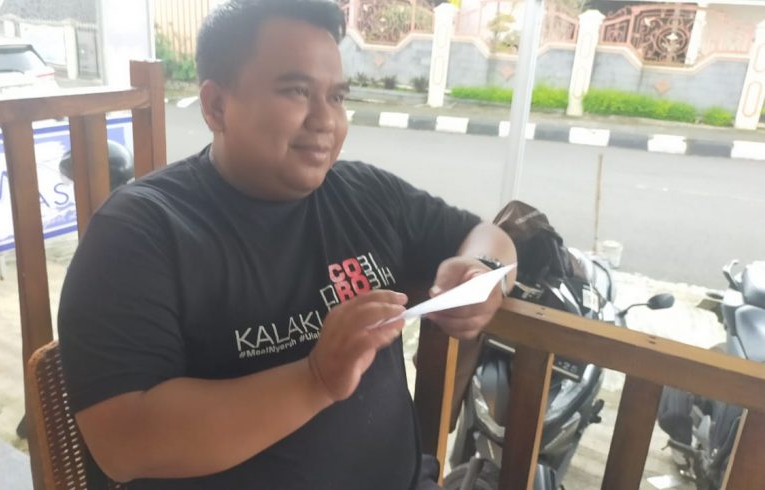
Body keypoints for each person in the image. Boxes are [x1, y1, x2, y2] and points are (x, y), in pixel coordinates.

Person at [57, 1, 517, 488]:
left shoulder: (366, 195)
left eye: (336, 97)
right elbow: (123, 442)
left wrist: (484, 272)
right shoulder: (140, 232)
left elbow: (491, 236)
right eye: (297, 91)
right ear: (216, 106)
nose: (326, 120)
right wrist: (315, 379)